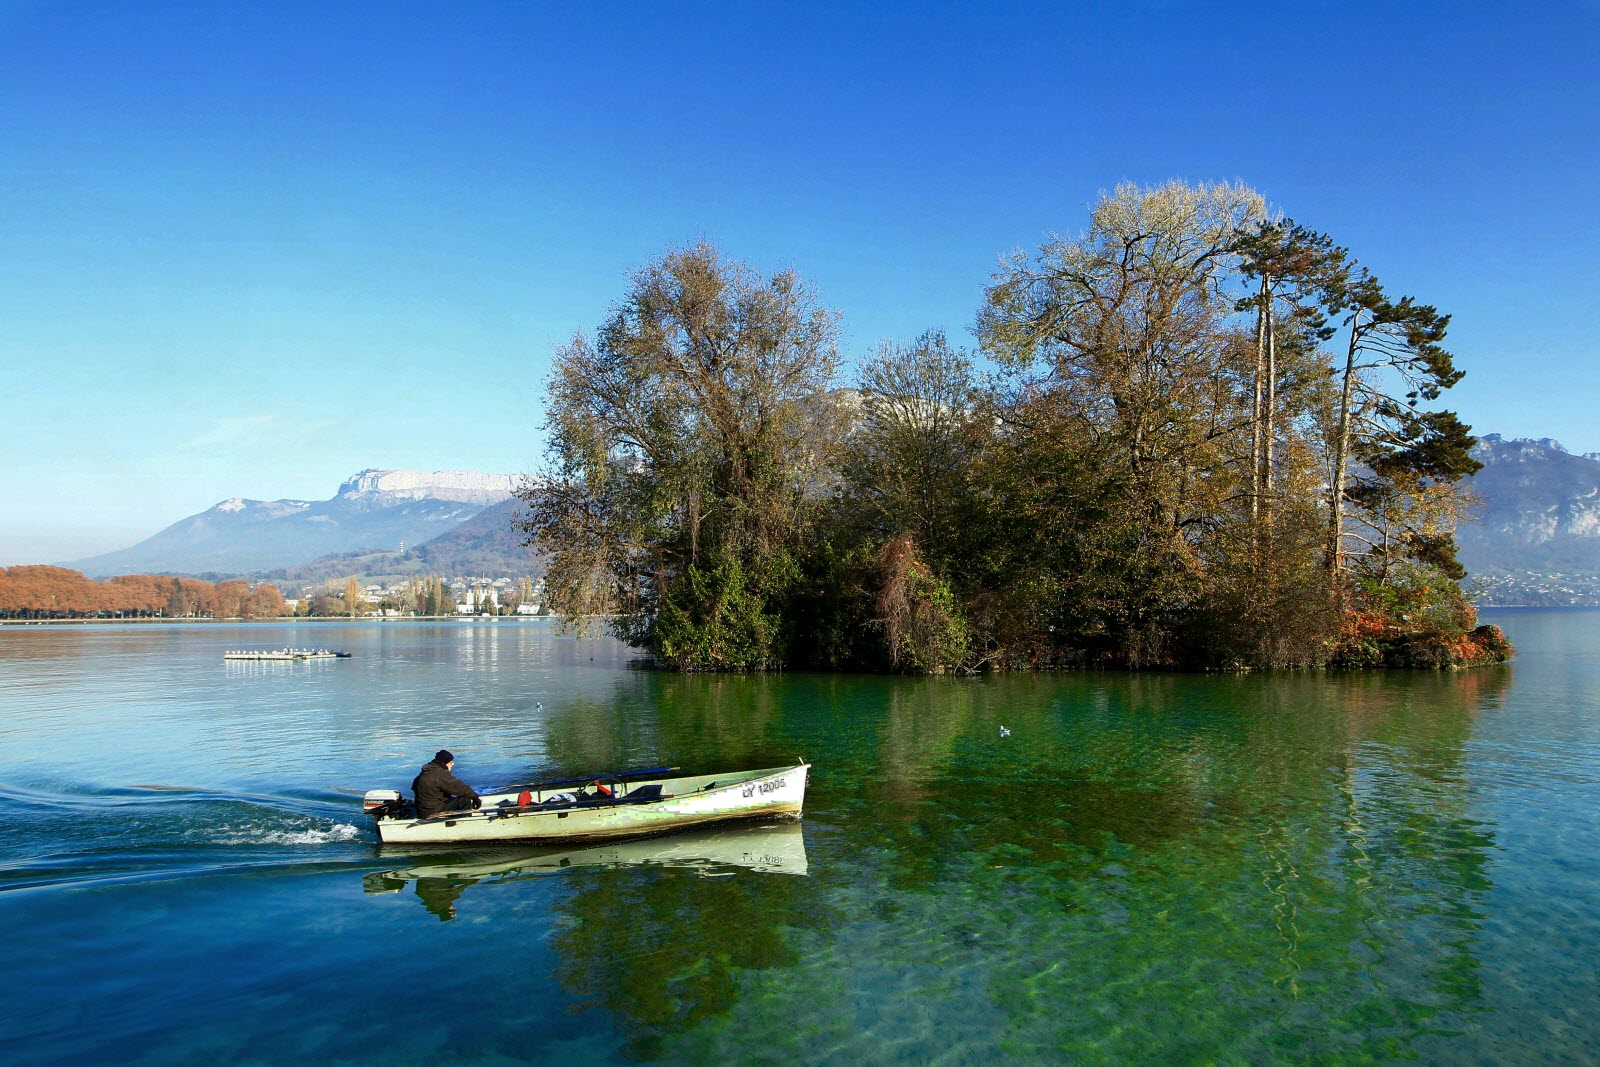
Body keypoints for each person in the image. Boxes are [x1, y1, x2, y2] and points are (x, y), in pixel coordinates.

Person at [411, 749, 480, 818]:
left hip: (422, 810)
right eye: (450, 762)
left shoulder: (425, 772)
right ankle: (463, 822)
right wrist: (475, 797)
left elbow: (414, 788)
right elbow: (460, 788)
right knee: (464, 800)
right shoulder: (440, 774)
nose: (453, 764)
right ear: (444, 763)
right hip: (431, 812)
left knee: (451, 798)